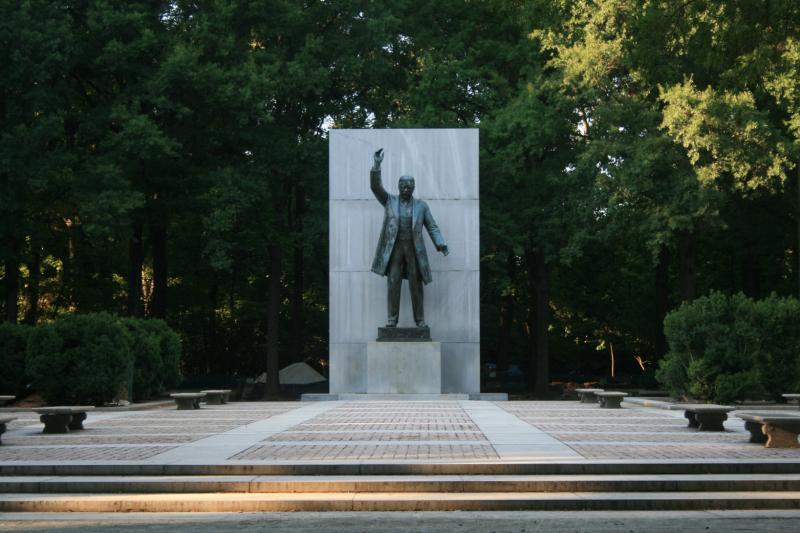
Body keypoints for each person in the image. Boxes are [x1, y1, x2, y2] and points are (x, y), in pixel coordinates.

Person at [369, 148, 449, 328]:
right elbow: (375, 187)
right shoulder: (389, 200)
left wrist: (440, 243)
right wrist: (376, 165)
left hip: (414, 249)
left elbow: (432, 226)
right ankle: (392, 320)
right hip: (394, 249)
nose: (406, 188)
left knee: (415, 284)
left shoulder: (421, 206)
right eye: (403, 185)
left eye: (409, 186)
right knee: (393, 283)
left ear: (413, 187)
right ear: (398, 187)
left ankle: (419, 320)